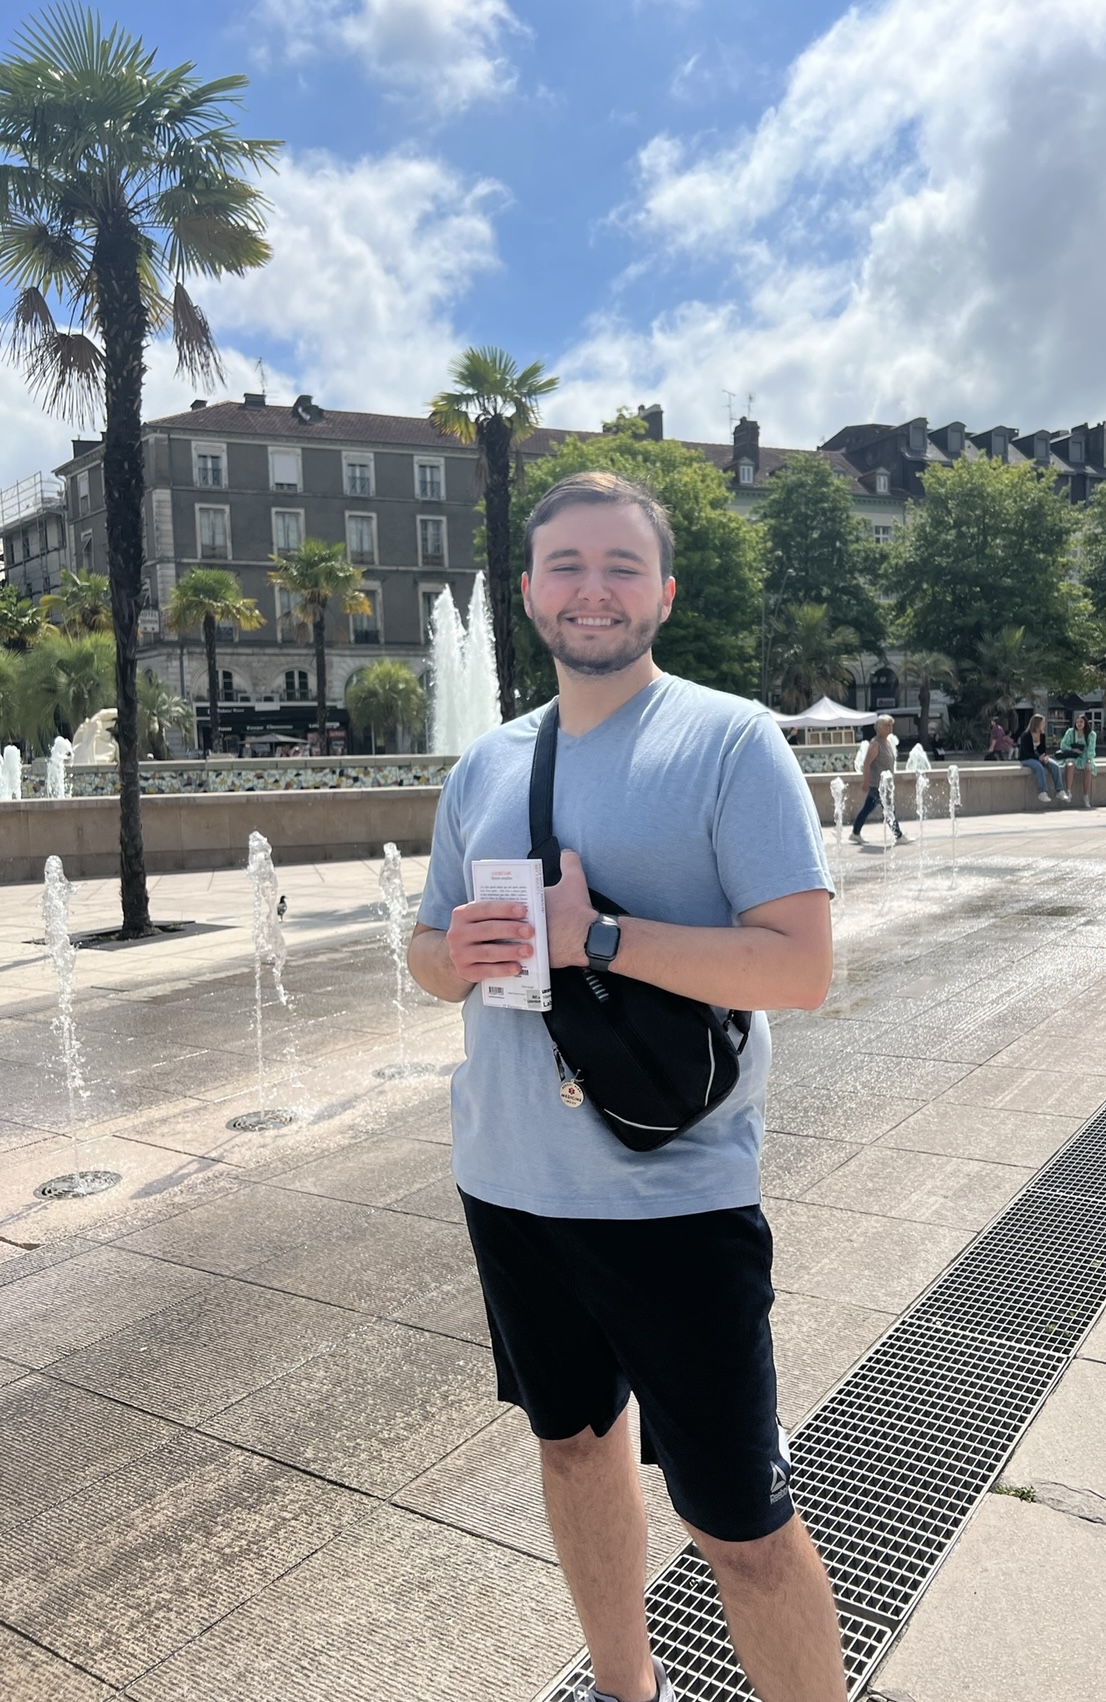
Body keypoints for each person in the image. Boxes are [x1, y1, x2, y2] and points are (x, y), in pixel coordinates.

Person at [407, 470, 845, 1702]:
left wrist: (598, 939)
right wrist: (462, 955)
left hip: (674, 1201)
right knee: (569, 1446)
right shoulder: (486, 761)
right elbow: (426, 948)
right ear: (531, 594)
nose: (591, 589)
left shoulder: (728, 738)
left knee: (742, 1524)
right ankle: (622, 1686)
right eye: (566, 566)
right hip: (507, 1181)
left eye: (618, 566)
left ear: (662, 589)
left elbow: (800, 967)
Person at [848, 713, 907, 844]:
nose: (890, 728)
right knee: (889, 809)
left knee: (870, 808)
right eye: (887, 726)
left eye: (891, 726)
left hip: (884, 785)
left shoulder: (886, 742)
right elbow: (866, 763)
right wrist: (866, 783)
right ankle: (899, 836)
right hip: (877, 785)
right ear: (879, 728)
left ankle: (855, 833)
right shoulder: (875, 744)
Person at [1017, 712, 1069, 804]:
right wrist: (1038, 758)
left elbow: (1043, 750)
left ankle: (1059, 790)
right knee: (1038, 767)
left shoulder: (1042, 735)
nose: (1044, 725)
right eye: (1043, 723)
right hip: (1026, 758)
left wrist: (1044, 757)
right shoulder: (1026, 736)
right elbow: (1026, 752)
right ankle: (1042, 791)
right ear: (1037, 724)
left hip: (1038, 757)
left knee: (1054, 765)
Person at [1057, 712, 1097, 807]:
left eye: (1081, 722)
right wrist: (1073, 749)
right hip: (1073, 756)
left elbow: (1091, 749)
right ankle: (1069, 791)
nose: (1079, 724)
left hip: (1085, 757)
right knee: (1070, 765)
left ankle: (1086, 796)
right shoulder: (1070, 732)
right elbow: (1063, 744)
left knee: (1088, 769)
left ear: (1085, 723)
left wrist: (1088, 760)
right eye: (1077, 722)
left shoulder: (1091, 735)